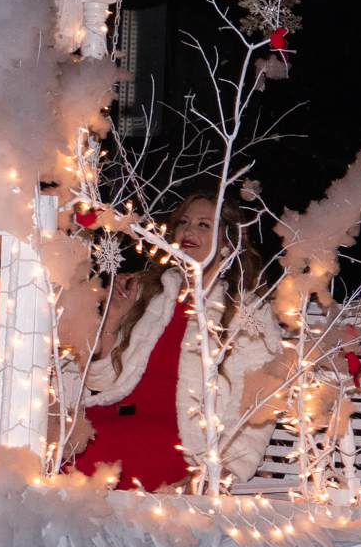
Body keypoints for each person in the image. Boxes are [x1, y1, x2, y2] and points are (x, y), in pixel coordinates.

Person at [74, 194, 282, 490]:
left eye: (203, 224)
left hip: (179, 441)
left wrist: (224, 465)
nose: (188, 231)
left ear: (228, 241)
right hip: (113, 416)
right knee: (49, 432)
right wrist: (114, 316)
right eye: (183, 222)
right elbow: (103, 381)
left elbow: (261, 394)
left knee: (75, 451)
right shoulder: (151, 292)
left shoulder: (245, 310)